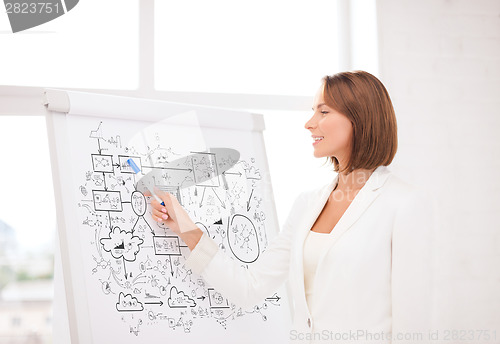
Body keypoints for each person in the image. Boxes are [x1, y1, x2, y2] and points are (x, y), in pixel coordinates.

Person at [150, 71, 435, 343]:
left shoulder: (404, 204)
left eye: (323, 112)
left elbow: (413, 327)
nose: (310, 123)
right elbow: (249, 287)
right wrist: (185, 228)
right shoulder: (308, 204)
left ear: (359, 119)